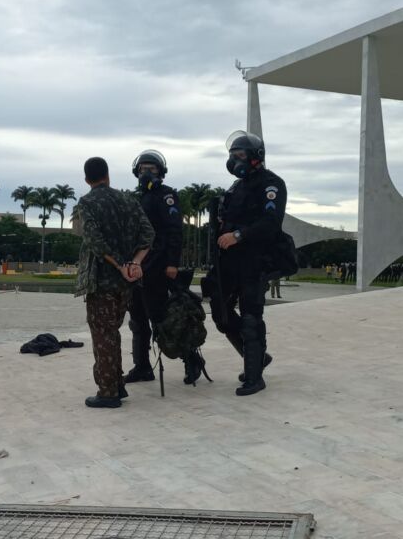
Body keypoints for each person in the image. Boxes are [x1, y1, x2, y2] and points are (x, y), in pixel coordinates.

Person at [206, 130, 286, 396]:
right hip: (229, 261)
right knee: (221, 314)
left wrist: (239, 235)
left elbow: (270, 223)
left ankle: (254, 376)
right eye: (232, 155)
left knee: (251, 317)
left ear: (255, 157)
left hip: (255, 260)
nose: (234, 161)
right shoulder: (235, 187)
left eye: (239, 155)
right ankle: (258, 356)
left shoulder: (271, 184)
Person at [76, 156, 155, 409]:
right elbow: (148, 233)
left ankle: (108, 392)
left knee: (103, 334)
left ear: (87, 179)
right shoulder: (128, 200)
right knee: (113, 332)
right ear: (107, 175)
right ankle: (117, 384)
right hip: (126, 284)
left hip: (102, 281)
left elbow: (95, 241)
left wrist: (120, 265)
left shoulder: (87, 203)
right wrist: (135, 263)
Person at [122, 149, 190, 384]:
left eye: (151, 169)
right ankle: (142, 367)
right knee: (137, 319)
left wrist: (172, 262)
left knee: (162, 319)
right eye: (142, 169)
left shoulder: (166, 195)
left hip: (159, 265)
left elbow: (174, 231)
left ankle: (191, 360)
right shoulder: (139, 198)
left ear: (160, 172)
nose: (146, 173)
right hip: (138, 266)